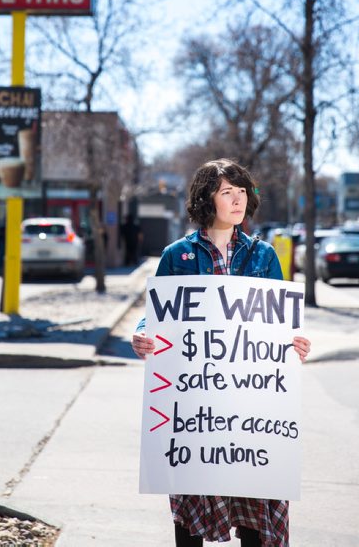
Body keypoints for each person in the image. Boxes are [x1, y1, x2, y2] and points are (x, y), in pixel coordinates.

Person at [132, 158, 311, 547]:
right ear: (205, 199)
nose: (237, 200)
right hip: (196, 413)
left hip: (251, 412)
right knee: (192, 508)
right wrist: (142, 336)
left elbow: (282, 325)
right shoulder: (177, 255)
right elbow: (155, 319)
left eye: (242, 192)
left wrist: (296, 340)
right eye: (226, 192)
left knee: (257, 510)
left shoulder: (263, 257)